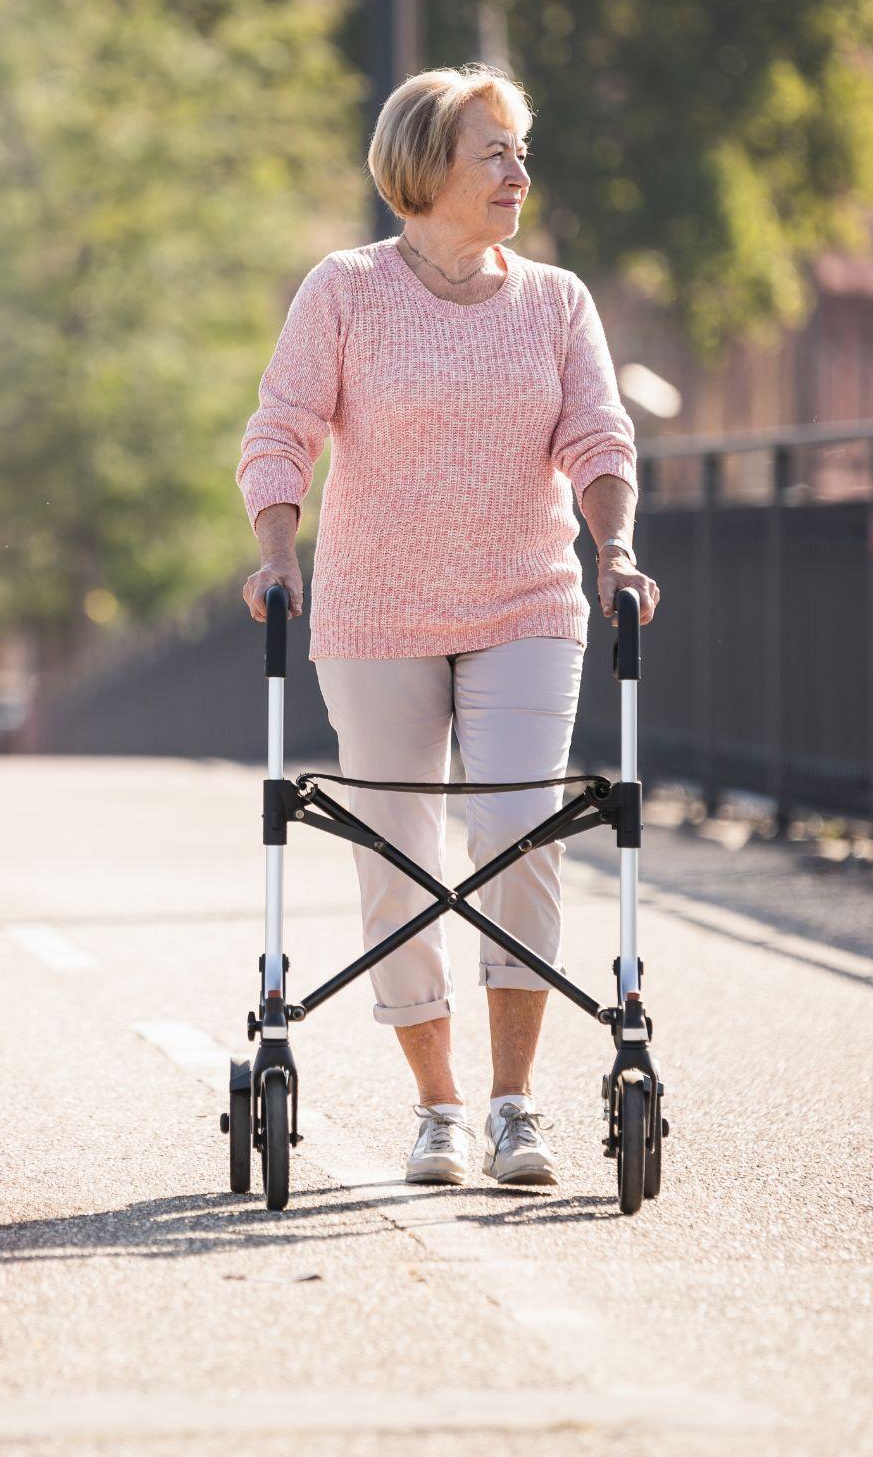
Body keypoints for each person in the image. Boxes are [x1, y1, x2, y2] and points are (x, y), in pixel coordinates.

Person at [234, 63, 660, 1189]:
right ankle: (438, 1108)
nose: (519, 169)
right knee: (395, 853)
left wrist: (613, 546)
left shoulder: (557, 302)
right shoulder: (345, 291)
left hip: (525, 603)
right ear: (427, 167)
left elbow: (599, 440)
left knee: (520, 830)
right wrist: (276, 554)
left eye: (521, 152)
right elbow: (279, 432)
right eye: (496, 152)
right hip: (374, 616)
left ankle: (517, 1102)